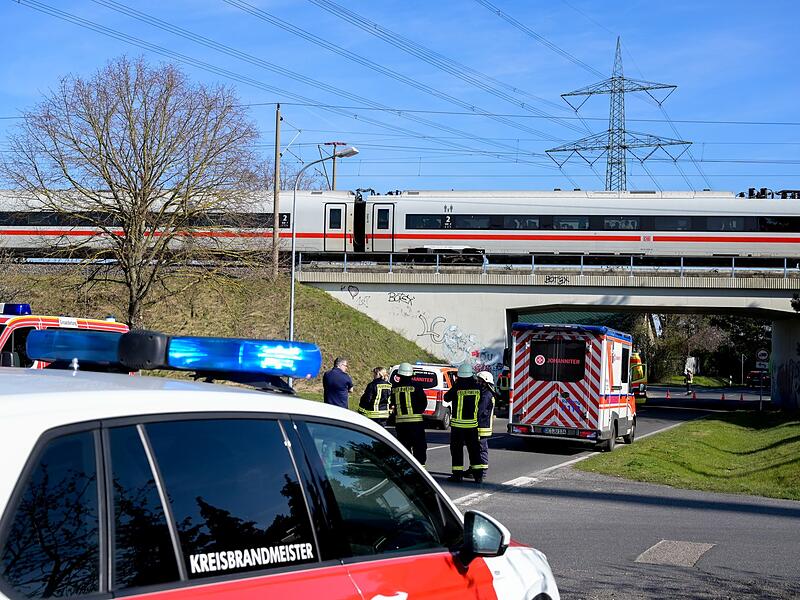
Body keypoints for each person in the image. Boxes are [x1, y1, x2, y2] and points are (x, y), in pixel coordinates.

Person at [445, 363, 490, 484]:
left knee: (457, 451)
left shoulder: (457, 386)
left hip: (458, 426)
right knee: (474, 451)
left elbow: (446, 398)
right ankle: (478, 476)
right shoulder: (478, 387)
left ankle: (457, 475)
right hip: (472, 426)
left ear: (460, 375)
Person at [390, 362, 428, 466]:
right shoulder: (417, 386)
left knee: (404, 449)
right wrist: (417, 412)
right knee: (419, 448)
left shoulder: (394, 388)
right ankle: (421, 471)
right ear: (411, 374)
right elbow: (423, 402)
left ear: (399, 374)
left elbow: (392, 403)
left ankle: (407, 469)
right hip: (416, 423)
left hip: (401, 424)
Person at [475, 370, 498, 477]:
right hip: (482, 425)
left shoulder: (486, 395)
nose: (478, 383)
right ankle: (475, 469)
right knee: (477, 449)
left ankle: (482, 471)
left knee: (482, 448)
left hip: (482, 426)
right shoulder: (487, 393)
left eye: (480, 381)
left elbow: (480, 410)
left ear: (485, 382)